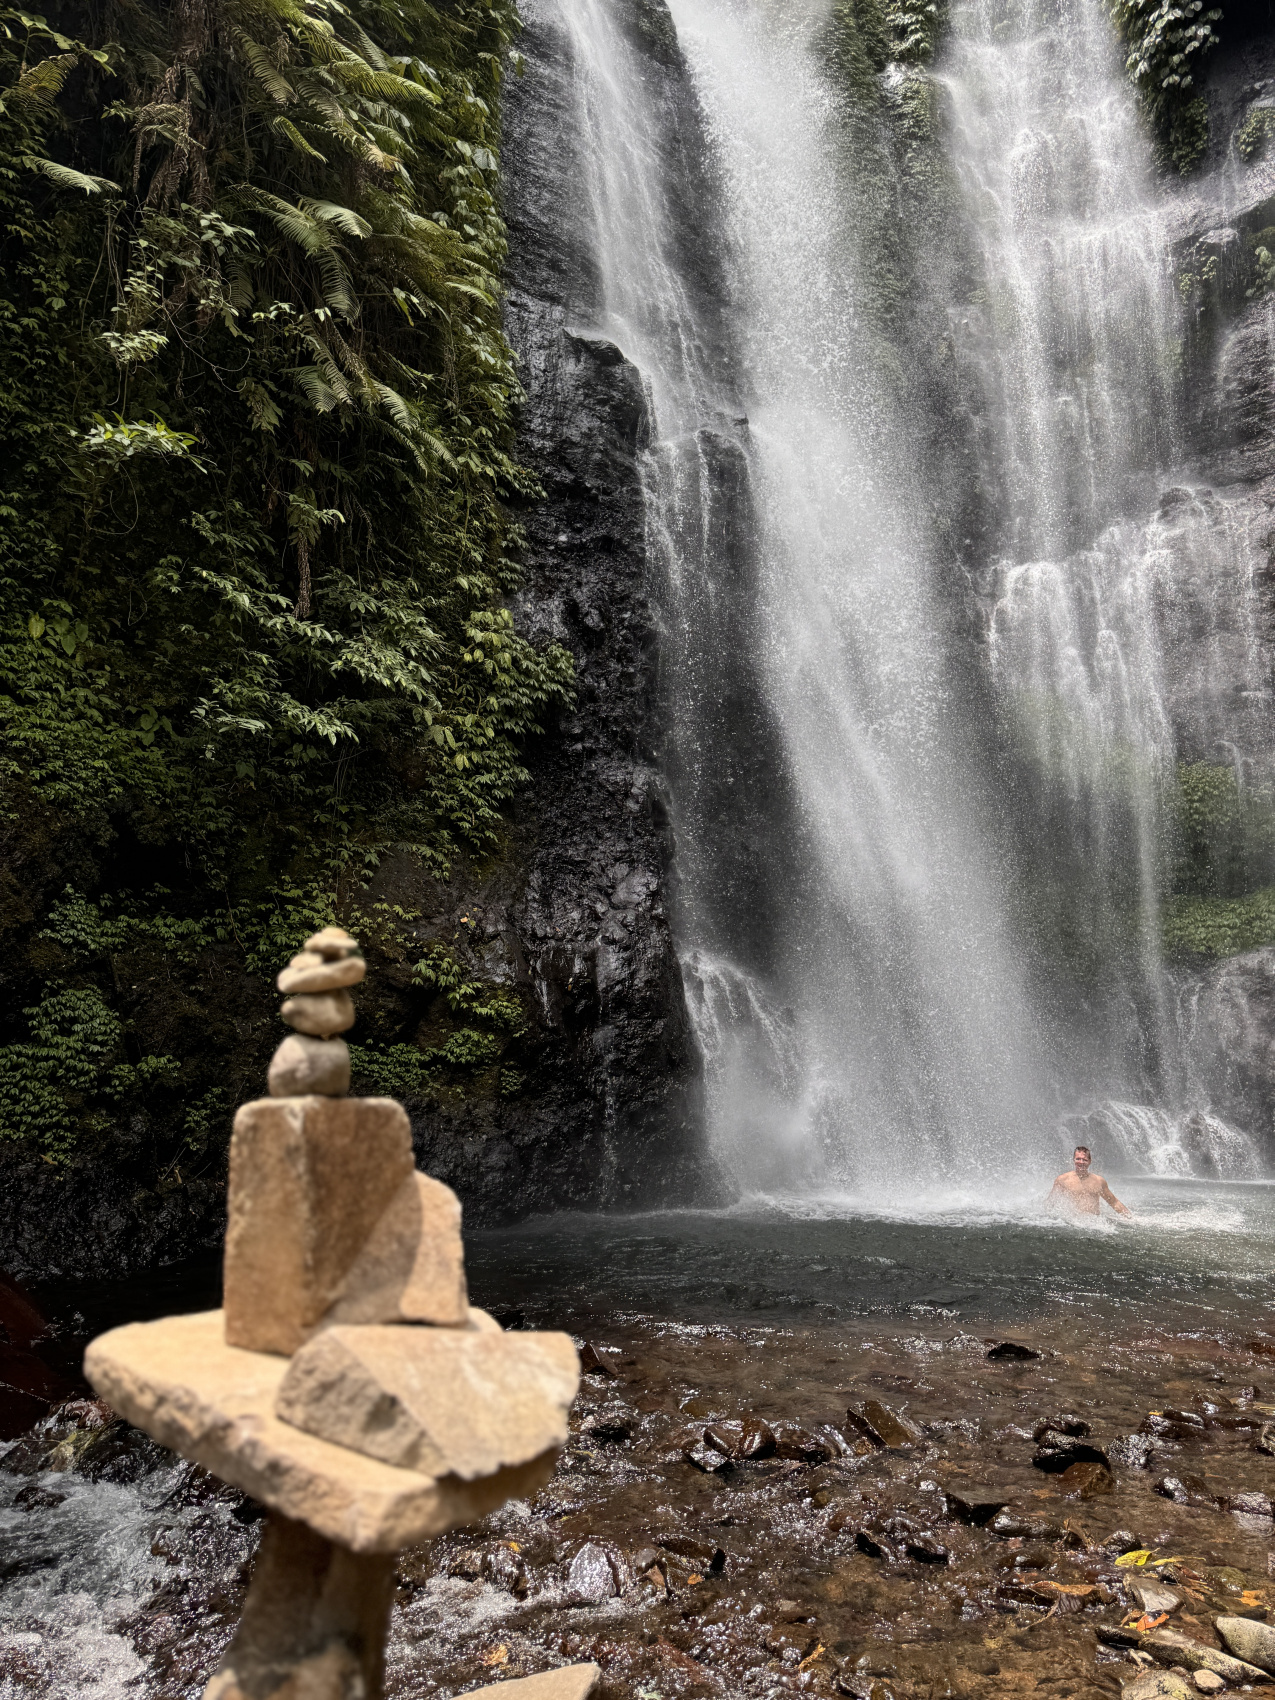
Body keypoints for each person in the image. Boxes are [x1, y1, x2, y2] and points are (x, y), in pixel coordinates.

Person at [1047, 1145, 1132, 1218]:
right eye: (1078, 1159)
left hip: (1095, 1222)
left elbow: (1114, 1202)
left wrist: (1130, 1218)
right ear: (1074, 1160)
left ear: (1090, 1161)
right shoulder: (1062, 1179)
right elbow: (1051, 1202)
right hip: (1073, 1222)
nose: (1081, 1162)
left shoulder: (1099, 1181)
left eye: (1084, 1160)